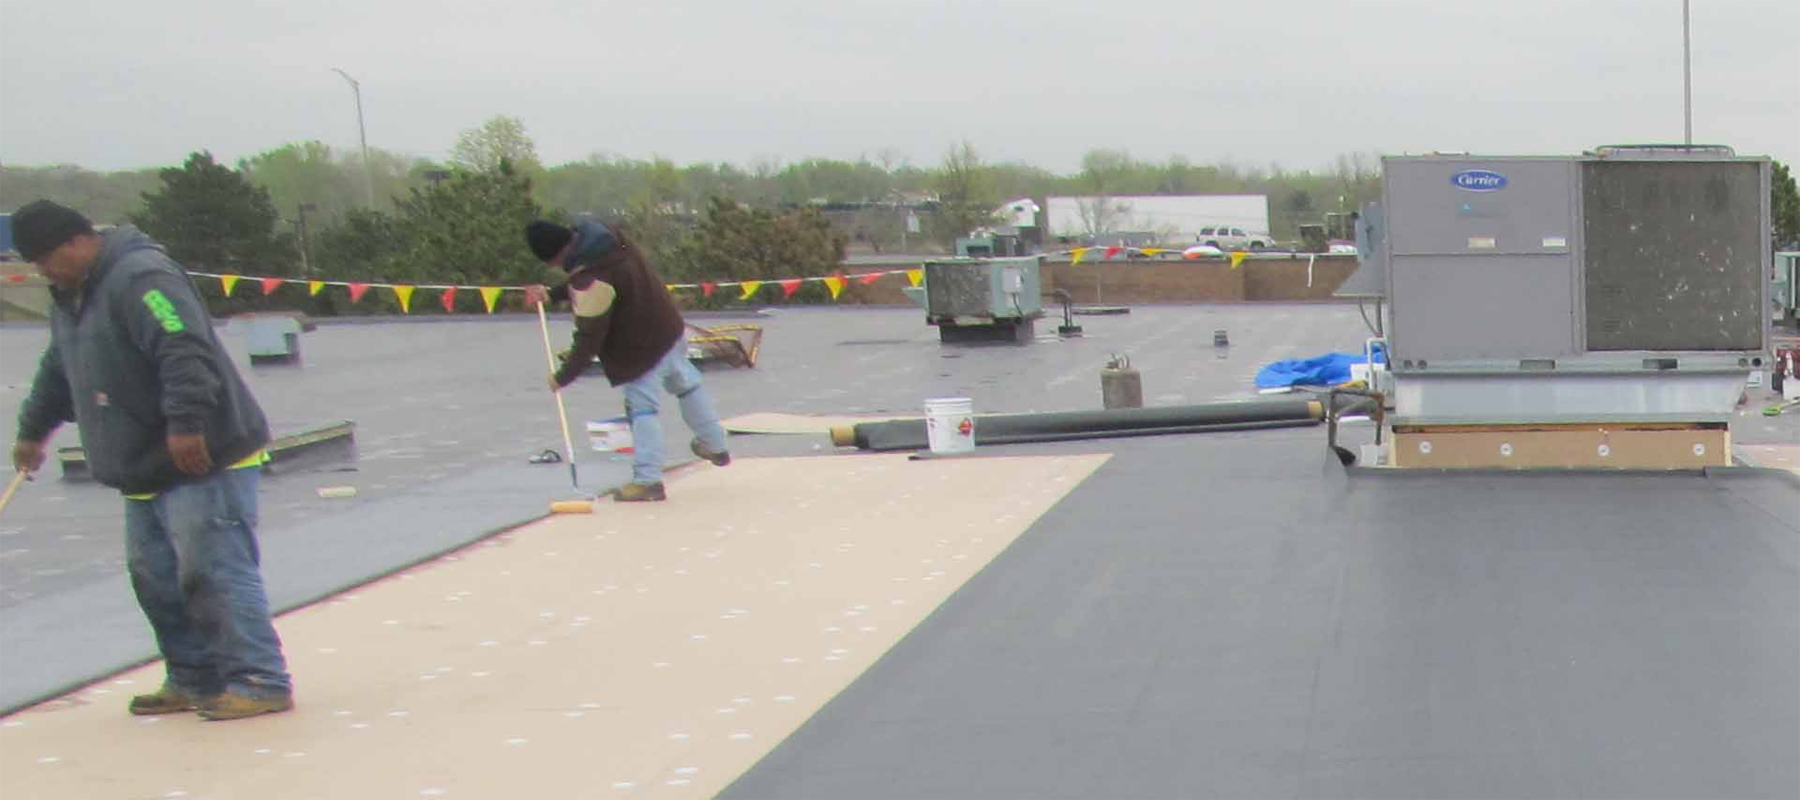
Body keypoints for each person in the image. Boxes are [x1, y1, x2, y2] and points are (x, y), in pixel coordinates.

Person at [9, 201, 293, 721]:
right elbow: (61, 365)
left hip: (203, 456)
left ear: (77, 241)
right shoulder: (70, 295)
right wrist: (33, 431)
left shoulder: (142, 278)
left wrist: (186, 424)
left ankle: (258, 678)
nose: (43, 271)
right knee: (157, 579)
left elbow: (182, 347)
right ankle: (193, 677)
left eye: (47, 258)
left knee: (212, 571)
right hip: (141, 462)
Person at [524, 218, 730, 502]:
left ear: (554, 256)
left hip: (638, 350)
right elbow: (592, 283)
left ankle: (648, 480)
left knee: (642, 410)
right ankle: (715, 444)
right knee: (688, 386)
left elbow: (589, 337)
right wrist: (552, 293)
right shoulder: (608, 237)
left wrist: (563, 376)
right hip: (668, 327)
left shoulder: (590, 280)